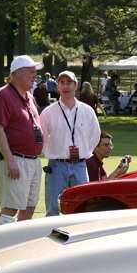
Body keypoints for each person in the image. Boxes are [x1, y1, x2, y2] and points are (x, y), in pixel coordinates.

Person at [0, 55, 45, 224]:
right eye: (31, 72)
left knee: (29, 207)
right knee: (11, 208)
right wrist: (10, 161)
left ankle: (17, 246)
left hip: (33, 161)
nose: (35, 76)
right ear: (18, 73)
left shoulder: (29, 96)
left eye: (36, 72)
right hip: (15, 159)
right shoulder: (2, 95)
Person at [39, 70, 101, 216]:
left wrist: (84, 152)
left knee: (80, 210)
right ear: (57, 87)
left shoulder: (87, 111)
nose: (66, 87)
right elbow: (42, 138)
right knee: (53, 211)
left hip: (80, 166)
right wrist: (54, 152)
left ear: (76, 86)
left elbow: (95, 135)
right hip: (56, 166)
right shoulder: (48, 112)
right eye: (62, 83)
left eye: (69, 83)